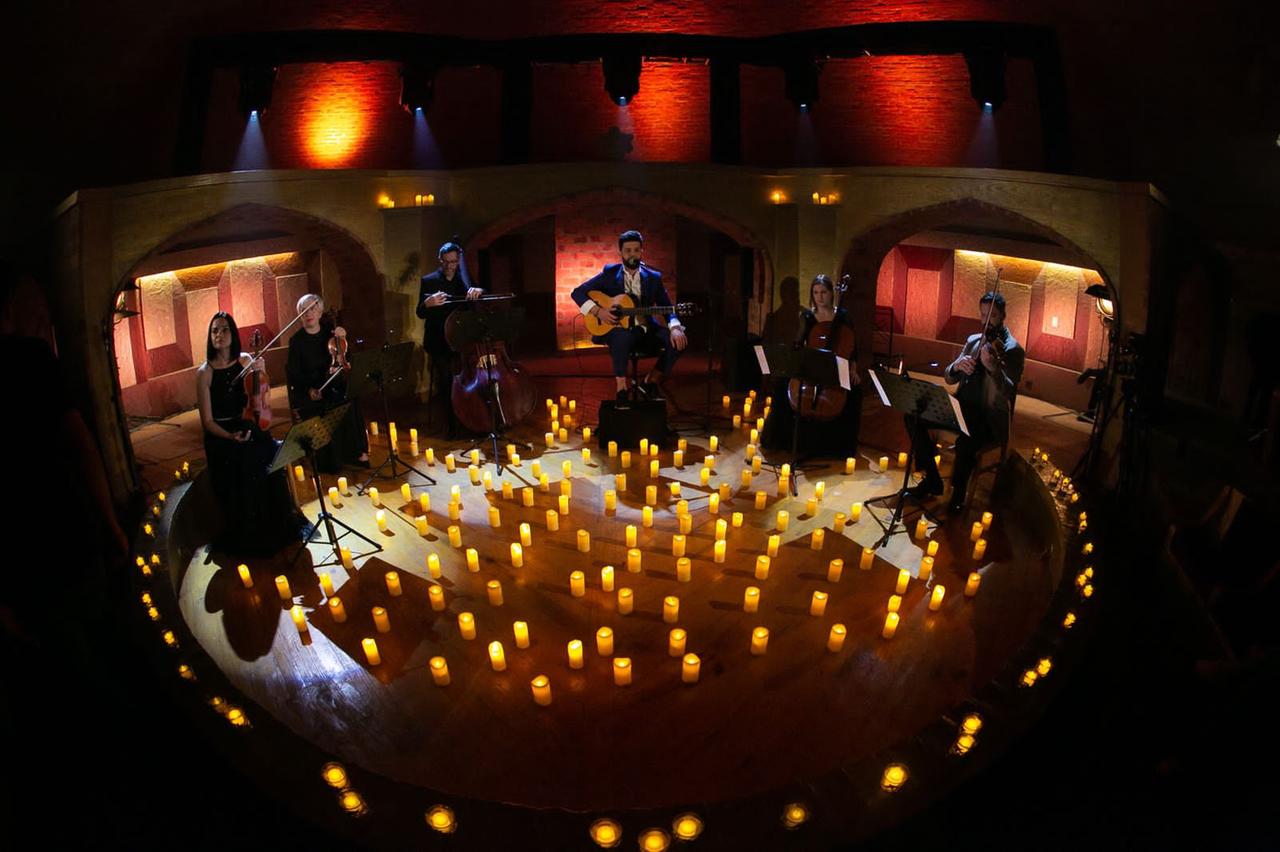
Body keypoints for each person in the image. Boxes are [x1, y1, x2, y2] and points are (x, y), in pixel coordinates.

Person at [905, 291, 1025, 513]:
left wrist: (994, 369)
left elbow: (1007, 392)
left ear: (1003, 316)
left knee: (968, 439)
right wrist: (957, 365)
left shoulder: (1012, 350)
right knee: (913, 415)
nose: (986, 321)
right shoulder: (973, 341)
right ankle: (932, 479)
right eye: (982, 315)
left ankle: (958, 493)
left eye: (993, 316)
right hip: (959, 409)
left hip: (988, 418)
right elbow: (948, 377)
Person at [196, 311, 303, 555]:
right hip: (221, 433)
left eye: (224, 330)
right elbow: (207, 421)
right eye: (214, 331)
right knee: (245, 462)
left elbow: (259, 396)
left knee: (269, 454)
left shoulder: (245, 360)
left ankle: (274, 523)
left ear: (233, 334)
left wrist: (261, 370)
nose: (219, 335)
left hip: (246, 421)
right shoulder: (205, 373)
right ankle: (251, 532)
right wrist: (230, 436)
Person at [571, 230, 688, 401]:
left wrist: (676, 327)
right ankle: (621, 387)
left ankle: (650, 381)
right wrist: (599, 311)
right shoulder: (610, 274)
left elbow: (667, 307)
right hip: (618, 329)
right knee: (621, 337)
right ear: (621, 253)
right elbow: (577, 293)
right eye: (628, 250)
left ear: (641, 251)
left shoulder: (653, 277)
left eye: (636, 250)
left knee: (679, 341)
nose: (632, 254)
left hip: (646, 327)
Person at [760, 274, 862, 457]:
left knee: (856, 391)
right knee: (783, 386)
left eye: (823, 292)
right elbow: (799, 343)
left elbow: (852, 350)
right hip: (812, 368)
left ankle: (840, 448)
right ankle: (782, 441)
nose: (820, 297)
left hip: (835, 370)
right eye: (815, 292)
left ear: (831, 293)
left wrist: (853, 369)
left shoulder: (844, 317)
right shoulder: (807, 316)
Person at [285, 294, 368, 472]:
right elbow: (294, 375)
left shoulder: (330, 331)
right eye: (303, 310)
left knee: (351, 397)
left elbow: (346, 356)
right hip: (313, 390)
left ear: (321, 312)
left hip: (332, 385)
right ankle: (334, 457)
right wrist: (309, 389)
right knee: (328, 405)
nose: (308, 313)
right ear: (299, 315)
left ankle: (357, 452)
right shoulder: (296, 342)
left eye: (313, 308)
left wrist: (344, 338)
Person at [416, 241, 484, 437]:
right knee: (446, 382)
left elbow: (478, 296)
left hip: (462, 340)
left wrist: (479, 291)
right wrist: (427, 304)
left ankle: (473, 420)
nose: (450, 266)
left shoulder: (464, 280)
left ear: (458, 260)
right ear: (440, 260)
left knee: (472, 378)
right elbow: (420, 313)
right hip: (438, 341)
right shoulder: (429, 281)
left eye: (453, 262)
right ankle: (451, 425)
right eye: (446, 262)